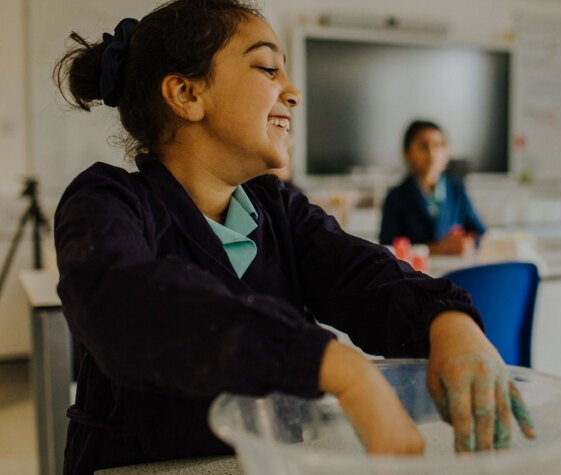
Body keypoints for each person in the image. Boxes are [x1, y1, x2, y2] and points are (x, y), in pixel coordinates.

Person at [53, 1, 532, 473]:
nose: (294, 91)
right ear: (186, 94)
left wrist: (450, 323)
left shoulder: (276, 207)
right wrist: (336, 366)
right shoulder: (106, 200)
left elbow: (363, 276)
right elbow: (123, 305)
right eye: (267, 68)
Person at [379, 120, 486, 255]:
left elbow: (479, 232)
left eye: (438, 145)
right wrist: (436, 249)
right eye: (423, 146)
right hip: (414, 273)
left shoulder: (456, 188)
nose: (432, 153)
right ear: (407, 153)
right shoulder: (396, 197)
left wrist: (466, 243)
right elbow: (387, 249)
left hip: (452, 269)